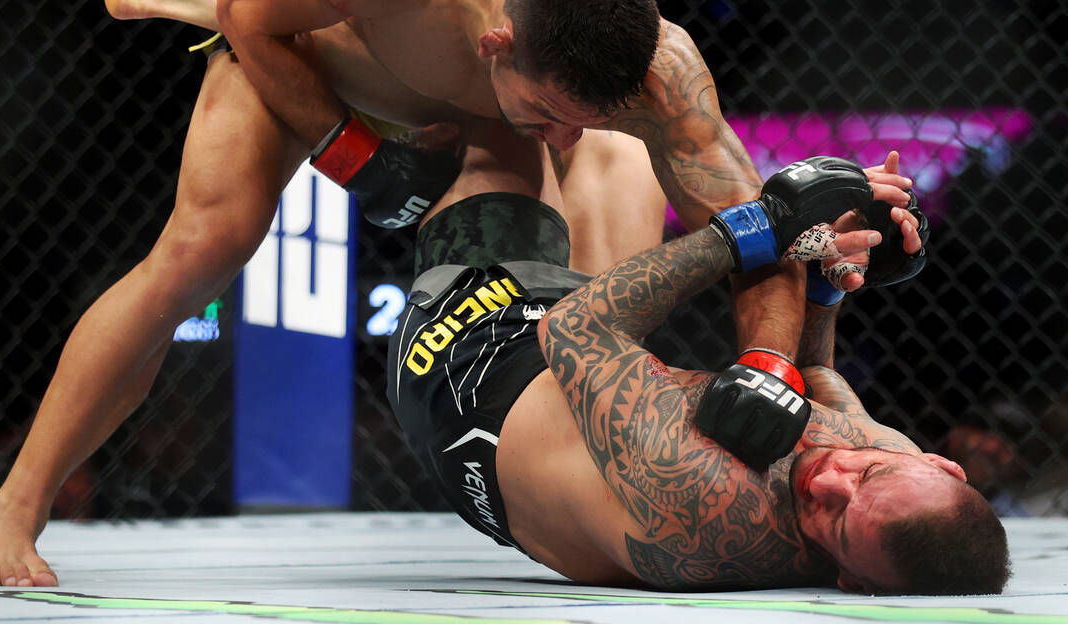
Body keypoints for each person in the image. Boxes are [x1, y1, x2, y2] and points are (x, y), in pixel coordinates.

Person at [0, 0, 893, 587]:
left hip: (459, 92)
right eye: (548, 112)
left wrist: (771, 362)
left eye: (579, 117)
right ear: (496, 43)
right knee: (202, 249)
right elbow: (250, 15)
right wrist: (357, 157)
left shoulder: (658, 70)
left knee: (613, 172)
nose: (560, 141)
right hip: (305, 59)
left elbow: (765, 230)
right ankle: (17, 503)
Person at [391, 127, 1010, 594]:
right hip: (576, 371)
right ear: (940, 466)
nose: (827, 481)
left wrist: (757, 226)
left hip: (472, 366)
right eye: (868, 474)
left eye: (837, 521)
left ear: (849, 579)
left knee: (502, 125)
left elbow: (574, 327)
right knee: (614, 148)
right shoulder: (900, 474)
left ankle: (372, 164)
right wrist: (827, 276)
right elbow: (816, 377)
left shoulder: (699, 502)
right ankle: (402, 175)